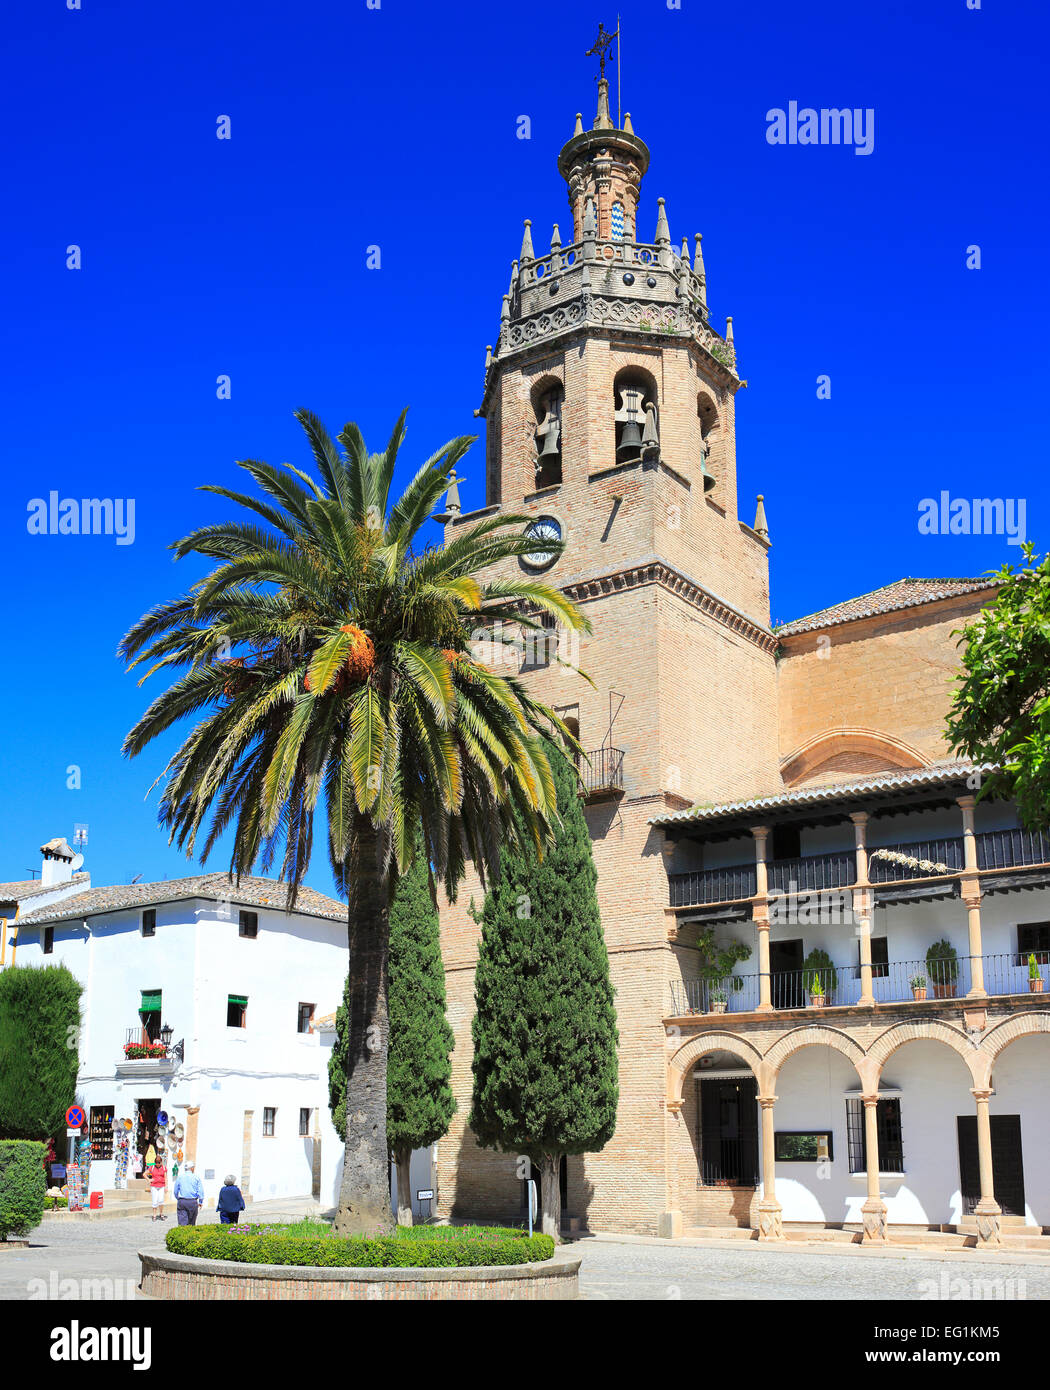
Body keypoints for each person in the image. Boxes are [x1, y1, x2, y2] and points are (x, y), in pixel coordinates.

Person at [173, 1161, 205, 1225]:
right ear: (192, 1168)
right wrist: (200, 1202)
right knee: (192, 1223)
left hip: (182, 1201)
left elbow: (175, 1191)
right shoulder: (196, 1178)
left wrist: (178, 1199)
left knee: (182, 1223)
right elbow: (200, 1191)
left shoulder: (180, 1177)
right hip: (192, 1201)